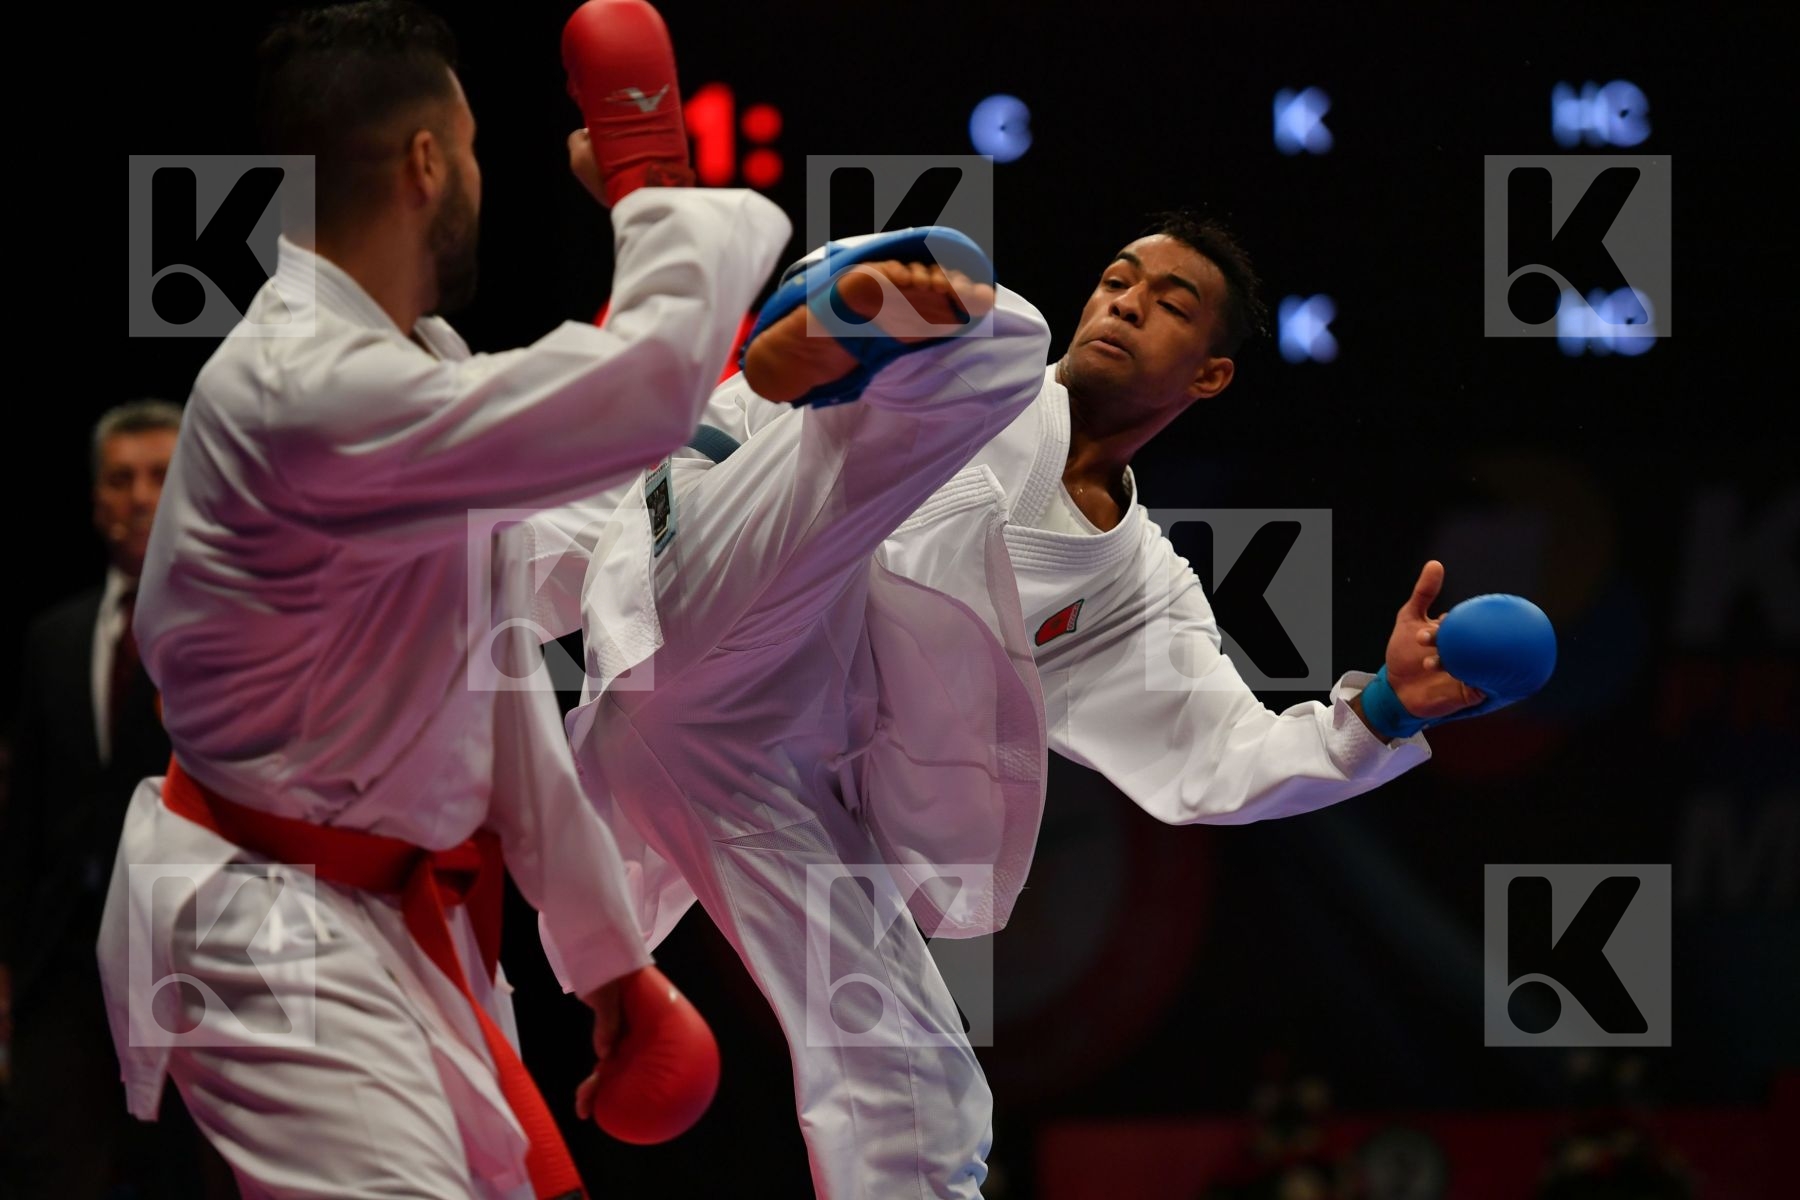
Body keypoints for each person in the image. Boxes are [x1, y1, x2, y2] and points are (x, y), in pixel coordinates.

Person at [547, 213, 1498, 1197]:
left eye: (1170, 305)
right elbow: (720, 435)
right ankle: (867, 302)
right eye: (1118, 280)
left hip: (757, 766)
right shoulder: (1003, 375)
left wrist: (1385, 709)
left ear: (1209, 376)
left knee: (921, 1086)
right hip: (702, 566)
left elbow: (1223, 754)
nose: (1126, 301)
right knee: (997, 343)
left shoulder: (1136, 586)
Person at [94, 2, 790, 1195]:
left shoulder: (420, 358)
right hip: (271, 930)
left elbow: (496, 669)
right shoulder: (302, 387)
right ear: (427, 162)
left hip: (382, 921)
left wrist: (607, 959)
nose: (478, 174)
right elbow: (645, 385)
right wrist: (647, 178)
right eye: (468, 148)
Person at [1, 401, 230, 1197]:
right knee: (51, 1167)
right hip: (61, 962)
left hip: (198, 954)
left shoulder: (236, 627)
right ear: (95, 500)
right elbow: (24, 813)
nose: (139, 496)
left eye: (161, 476)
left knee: (199, 1176)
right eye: (121, 478)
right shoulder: (53, 639)